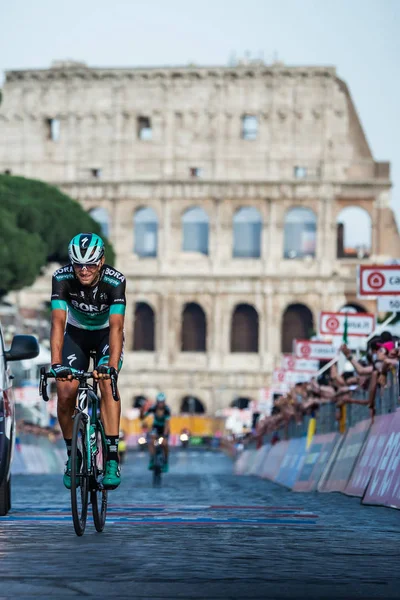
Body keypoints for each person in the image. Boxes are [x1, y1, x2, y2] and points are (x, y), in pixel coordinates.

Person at [50, 233, 126, 490]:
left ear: (101, 261)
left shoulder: (115, 281)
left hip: (106, 335)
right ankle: (74, 455)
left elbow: (116, 327)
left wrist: (111, 366)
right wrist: (56, 363)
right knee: (65, 389)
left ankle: (113, 457)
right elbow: (58, 323)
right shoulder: (61, 278)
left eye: (91, 264)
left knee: (107, 384)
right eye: (78, 264)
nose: (84, 270)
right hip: (77, 335)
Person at [140, 392, 171, 472]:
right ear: (157, 402)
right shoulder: (153, 408)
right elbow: (143, 417)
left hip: (164, 428)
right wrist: (142, 411)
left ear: (164, 402)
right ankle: (152, 459)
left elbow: (167, 424)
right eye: (159, 402)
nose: (160, 404)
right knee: (151, 441)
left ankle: (166, 462)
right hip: (156, 427)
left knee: (164, 443)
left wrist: (164, 435)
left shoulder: (167, 410)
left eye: (162, 402)